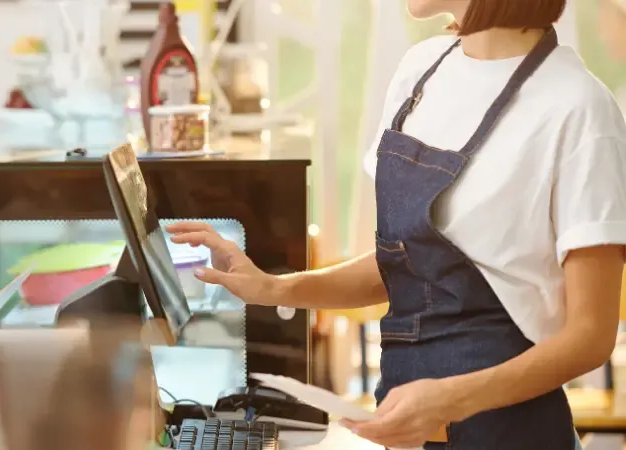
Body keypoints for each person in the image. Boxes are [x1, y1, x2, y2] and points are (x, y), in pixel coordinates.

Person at [166, 0, 626, 448]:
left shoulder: (579, 109)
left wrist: (451, 399)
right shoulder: (420, 71)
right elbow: (407, 262)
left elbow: (589, 337)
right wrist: (274, 288)